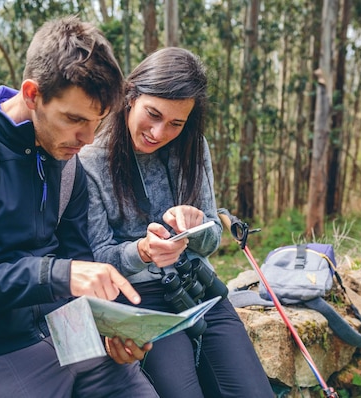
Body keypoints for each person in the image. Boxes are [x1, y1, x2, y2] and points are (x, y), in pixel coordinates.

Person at [0, 16, 158, 398]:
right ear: (32, 93)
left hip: (67, 336)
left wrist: (113, 328)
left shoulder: (69, 166)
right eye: (74, 119)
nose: (86, 140)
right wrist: (55, 274)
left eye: (96, 123)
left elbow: (78, 261)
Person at [78, 47, 274, 398]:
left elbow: (213, 237)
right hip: (142, 301)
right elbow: (96, 258)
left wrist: (196, 227)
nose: (158, 132)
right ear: (130, 96)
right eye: (152, 114)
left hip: (199, 288)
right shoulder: (90, 159)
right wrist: (142, 251)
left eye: (175, 124)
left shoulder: (193, 147)